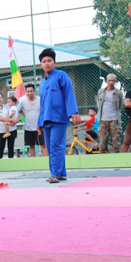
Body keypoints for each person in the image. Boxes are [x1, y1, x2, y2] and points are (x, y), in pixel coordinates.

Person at [37, 48, 81, 183]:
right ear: (41, 65)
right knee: (51, 147)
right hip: (46, 119)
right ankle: (61, 173)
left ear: (54, 62)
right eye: (44, 61)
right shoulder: (42, 82)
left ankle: (54, 174)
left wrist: (74, 112)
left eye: (49, 61)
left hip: (59, 118)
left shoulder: (61, 75)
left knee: (57, 146)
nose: (47, 63)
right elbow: (42, 103)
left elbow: (69, 94)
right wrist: (40, 122)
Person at [95, 73, 123, 154]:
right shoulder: (100, 92)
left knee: (116, 142)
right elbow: (98, 104)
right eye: (109, 80)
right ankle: (105, 160)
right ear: (106, 81)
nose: (111, 82)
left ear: (115, 82)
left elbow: (120, 105)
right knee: (102, 142)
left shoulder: (118, 93)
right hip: (103, 119)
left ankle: (117, 159)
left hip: (114, 119)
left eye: (113, 81)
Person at [18, 83, 45, 157]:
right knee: (31, 146)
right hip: (28, 128)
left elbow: (45, 110)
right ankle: (35, 162)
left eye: (31, 91)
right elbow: (18, 110)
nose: (29, 93)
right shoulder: (23, 102)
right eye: (28, 91)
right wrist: (25, 115)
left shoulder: (40, 100)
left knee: (43, 145)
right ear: (26, 92)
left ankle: (47, 161)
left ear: (34, 91)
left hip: (39, 127)